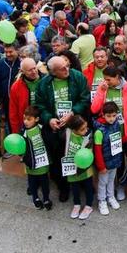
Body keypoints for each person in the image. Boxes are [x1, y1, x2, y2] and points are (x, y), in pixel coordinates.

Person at [35, 55, 91, 202]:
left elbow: (85, 98)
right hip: (56, 128)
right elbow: (40, 106)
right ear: (53, 72)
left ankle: (82, 182)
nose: (67, 69)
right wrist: (49, 119)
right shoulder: (44, 83)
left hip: (75, 125)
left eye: (67, 65)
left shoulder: (77, 77)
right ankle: (63, 187)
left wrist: (73, 113)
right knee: (59, 158)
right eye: (62, 68)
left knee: (79, 154)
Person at [94, 101, 124, 216]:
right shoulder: (99, 131)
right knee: (103, 182)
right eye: (108, 116)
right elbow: (97, 150)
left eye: (114, 116)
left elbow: (118, 140)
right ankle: (102, 201)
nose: (111, 119)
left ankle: (110, 197)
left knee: (111, 180)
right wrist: (101, 166)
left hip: (115, 160)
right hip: (105, 163)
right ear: (103, 115)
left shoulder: (116, 124)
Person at [20, 105, 52, 210]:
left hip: (43, 163)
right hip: (31, 164)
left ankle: (46, 198)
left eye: (29, 119)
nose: (26, 121)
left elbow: (48, 141)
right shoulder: (23, 132)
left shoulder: (42, 129)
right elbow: (20, 147)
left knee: (45, 182)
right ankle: (35, 198)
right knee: (32, 182)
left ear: (37, 119)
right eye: (24, 118)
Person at [65, 114, 94, 219]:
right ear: (74, 129)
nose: (85, 130)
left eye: (86, 127)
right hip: (71, 167)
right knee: (75, 188)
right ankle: (76, 204)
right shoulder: (68, 133)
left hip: (85, 169)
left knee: (88, 187)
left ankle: (89, 206)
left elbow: (90, 151)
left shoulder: (88, 136)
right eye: (82, 129)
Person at [8, 58, 44, 133]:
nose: (34, 72)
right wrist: (16, 131)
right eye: (30, 70)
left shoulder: (46, 81)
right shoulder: (16, 87)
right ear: (22, 71)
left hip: (44, 121)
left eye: (34, 68)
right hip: (27, 125)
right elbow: (13, 111)